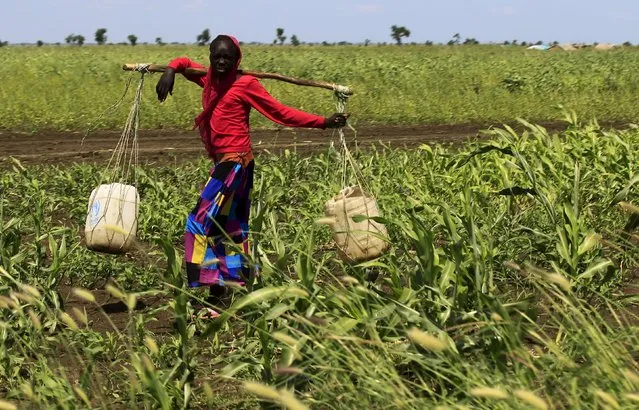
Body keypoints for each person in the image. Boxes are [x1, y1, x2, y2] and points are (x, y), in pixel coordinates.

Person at [156, 34, 348, 317]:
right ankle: (224, 294)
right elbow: (184, 62)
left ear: (237, 61)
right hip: (228, 162)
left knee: (198, 220)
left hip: (235, 163)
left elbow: (279, 112)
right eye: (216, 56)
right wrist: (171, 70)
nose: (221, 61)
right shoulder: (208, 79)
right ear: (210, 57)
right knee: (227, 227)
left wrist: (322, 123)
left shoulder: (246, 85)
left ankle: (202, 285)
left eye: (228, 58)